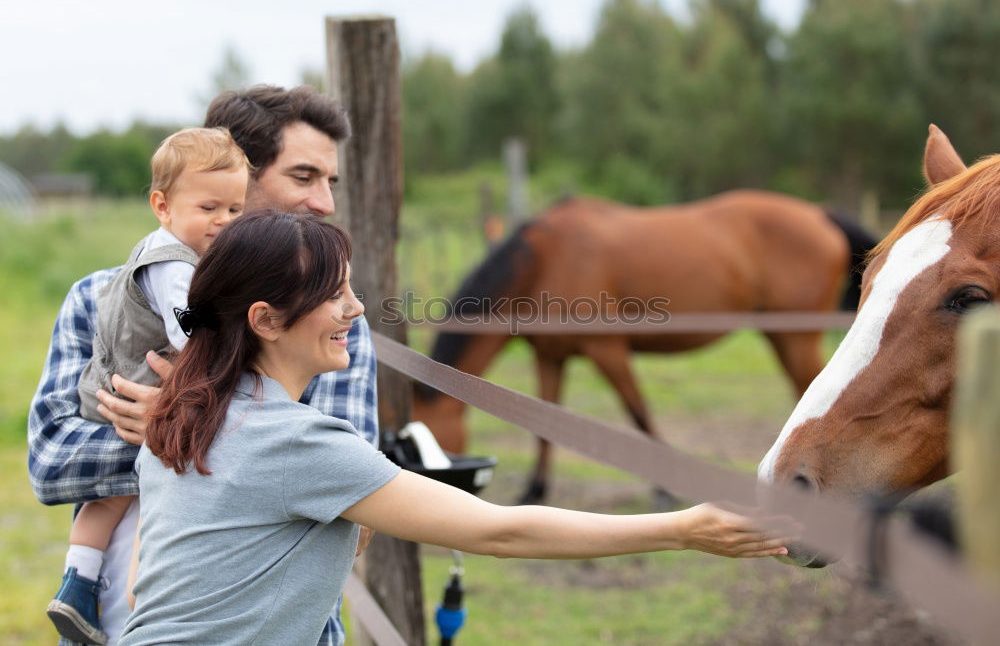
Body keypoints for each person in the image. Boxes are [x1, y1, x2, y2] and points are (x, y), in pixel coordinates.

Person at [119, 210, 791, 644]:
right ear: (266, 320)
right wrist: (680, 530)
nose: (355, 308)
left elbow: (143, 587)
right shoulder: (293, 439)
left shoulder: (188, 418)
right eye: (334, 295)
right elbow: (500, 529)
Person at [28, 85, 377, 646]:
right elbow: (52, 462)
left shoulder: (331, 322)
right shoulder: (98, 297)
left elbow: (346, 482)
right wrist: (200, 435)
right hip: (122, 626)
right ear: (234, 169)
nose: (324, 203)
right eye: (303, 177)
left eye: (329, 182)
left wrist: (189, 428)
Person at [46, 127, 249, 645]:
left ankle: (78, 583)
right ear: (162, 205)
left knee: (110, 502)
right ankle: (132, 594)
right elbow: (191, 333)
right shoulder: (173, 266)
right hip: (133, 385)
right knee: (146, 480)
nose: (224, 223)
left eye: (235, 210)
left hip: (116, 383)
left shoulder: (170, 253)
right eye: (210, 209)